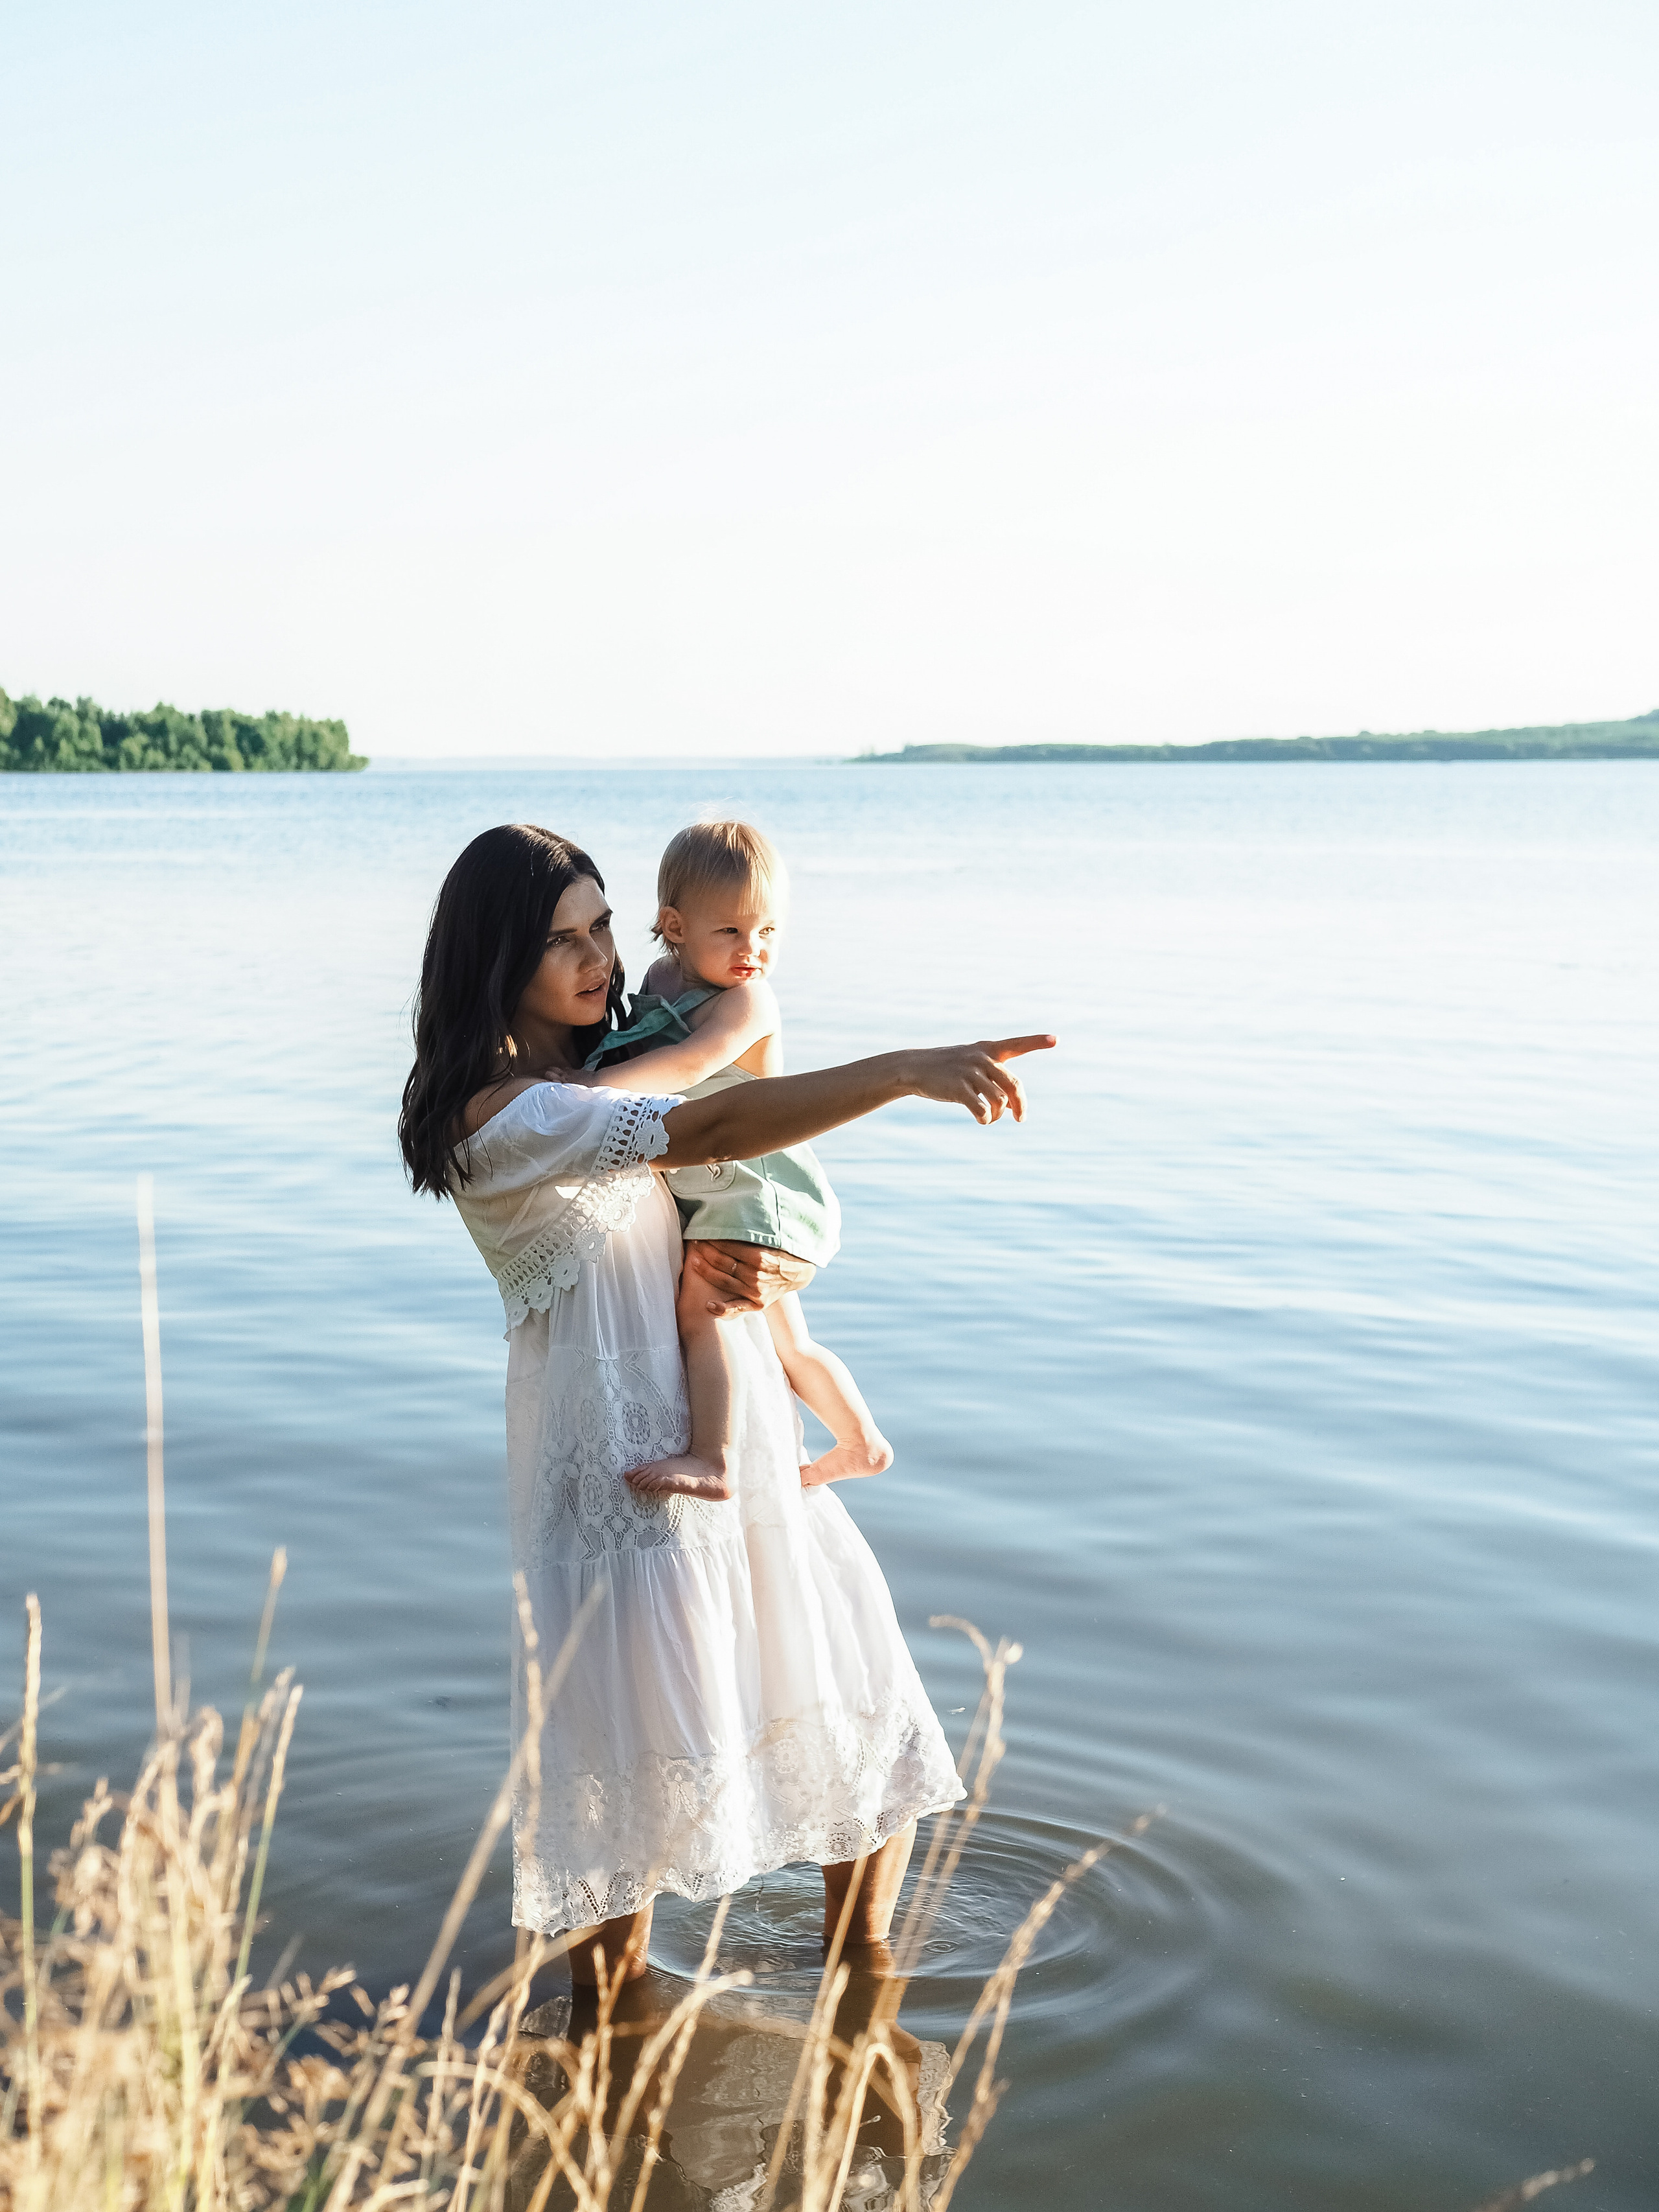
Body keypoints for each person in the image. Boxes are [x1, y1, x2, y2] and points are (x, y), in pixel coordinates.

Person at [398, 822, 1054, 1988]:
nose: (599, 959)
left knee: (857, 1708)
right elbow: (699, 1125)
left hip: (732, 1438)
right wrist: (904, 1070)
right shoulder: (496, 1116)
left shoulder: (606, 1059)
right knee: (628, 1830)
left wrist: (769, 1277)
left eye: (604, 926)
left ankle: (861, 2002)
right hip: (620, 1478)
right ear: (498, 962)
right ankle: (617, 2081)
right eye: (565, 942)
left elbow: (719, 1157)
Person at [583, 817, 890, 1498]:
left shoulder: (748, 999)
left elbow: (691, 1060)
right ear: (674, 925)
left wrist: (585, 1090)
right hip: (724, 1191)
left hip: (757, 1194)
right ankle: (860, 1441)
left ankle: (713, 1457)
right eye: (732, 931)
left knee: (702, 1308)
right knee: (790, 1344)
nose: (753, 948)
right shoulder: (660, 980)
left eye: (769, 931)